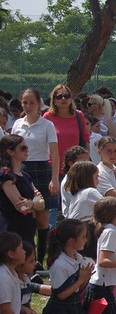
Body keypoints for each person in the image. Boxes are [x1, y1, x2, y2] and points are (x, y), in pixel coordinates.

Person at [12, 88, 59, 264]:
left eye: (32, 102)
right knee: (26, 215)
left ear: (39, 103)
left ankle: (41, 260)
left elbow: (54, 153)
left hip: (42, 168)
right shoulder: (17, 124)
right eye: (25, 102)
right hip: (21, 169)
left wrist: (54, 179)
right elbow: (12, 149)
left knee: (43, 218)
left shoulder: (47, 125)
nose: (28, 106)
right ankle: (27, 258)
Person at [43, 219, 100, 314]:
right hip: (61, 309)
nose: (86, 240)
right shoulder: (60, 264)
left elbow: (78, 288)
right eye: (83, 237)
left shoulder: (78, 258)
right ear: (71, 241)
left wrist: (85, 279)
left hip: (74, 305)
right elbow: (60, 295)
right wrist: (80, 280)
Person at [0, 232, 42, 314]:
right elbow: (6, 311)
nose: (24, 252)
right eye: (21, 249)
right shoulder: (4, 276)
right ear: (11, 254)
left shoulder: (11, 273)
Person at [0, 134, 44, 248]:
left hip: (27, 227)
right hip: (12, 230)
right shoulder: (5, 175)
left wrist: (31, 204)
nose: (27, 150)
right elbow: (21, 207)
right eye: (23, 148)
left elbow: (42, 204)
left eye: (27, 147)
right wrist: (34, 204)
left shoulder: (25, 175)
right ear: (10, 151)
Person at [44, 84, 90, 178]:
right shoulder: (48, 116)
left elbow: (85, 141)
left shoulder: (79, 115)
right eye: (59, 97)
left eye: (67, 96)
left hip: (75, 167)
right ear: (54, 100)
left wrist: (85, 163)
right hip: (53, 168)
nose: (63, 99)